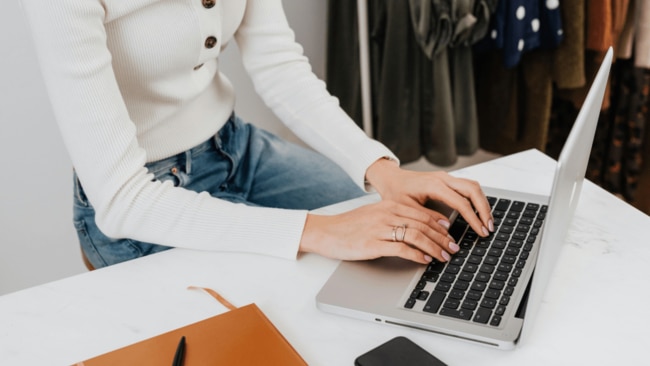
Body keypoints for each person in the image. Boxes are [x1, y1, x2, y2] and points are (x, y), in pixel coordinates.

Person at [21, 0, 494, 269]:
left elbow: (279, 65)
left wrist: (381, 169)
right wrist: (319, 231)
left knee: (411, 231)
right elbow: (123, 199)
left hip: (236, 149)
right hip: (144, 201)